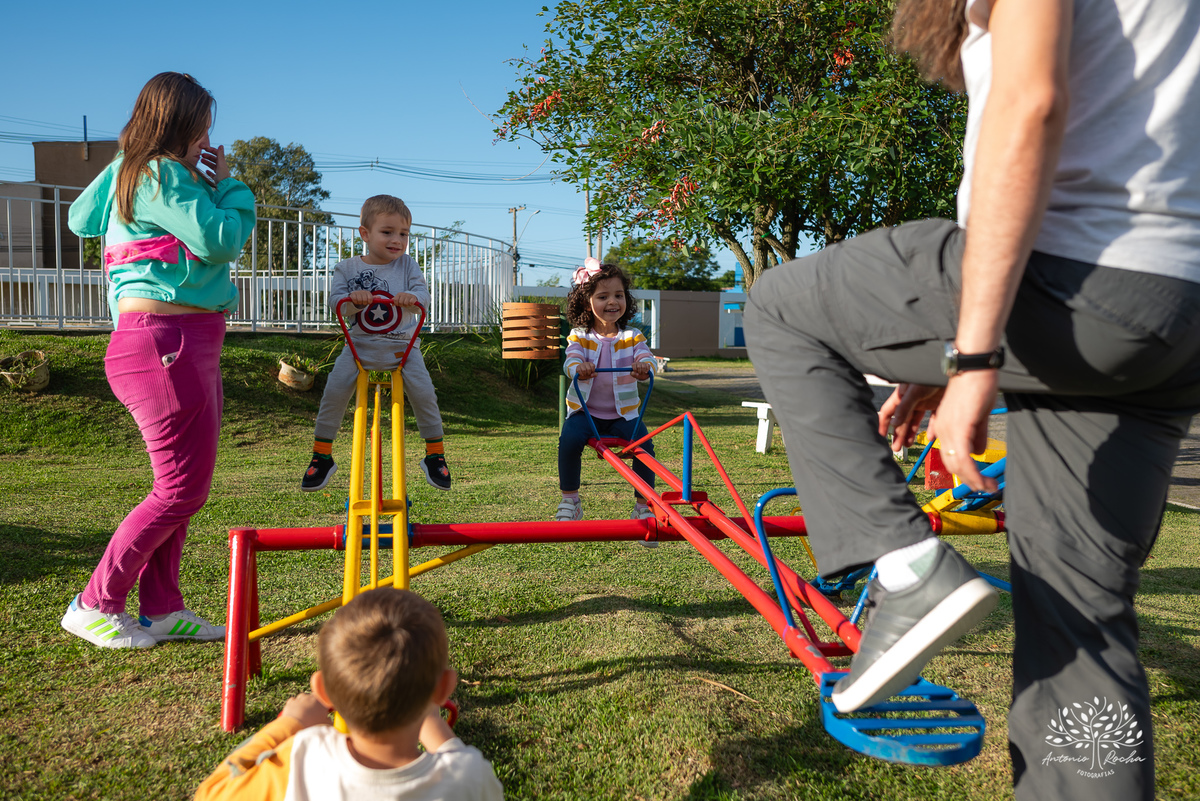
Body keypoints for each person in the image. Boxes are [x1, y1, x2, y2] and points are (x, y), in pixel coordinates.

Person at [744, 0, 1200, 798]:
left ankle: (907, 568)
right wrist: (947, 335)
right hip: (1176, 316)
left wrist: (975, 348)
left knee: (782, 305)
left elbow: (1031, 102)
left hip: (1075, 276)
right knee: (1080, 624)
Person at [62, 72, 256, 649]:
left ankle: (163, 608)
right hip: (167, 341)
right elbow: (221, 239)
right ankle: (95, 603)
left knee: (186, 484)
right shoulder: (162, 173)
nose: (207, 138)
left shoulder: (135, 172)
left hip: (174, 340)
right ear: (185, 124)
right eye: (203, 127)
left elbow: (79, 217)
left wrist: (127, 152)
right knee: (178, 489)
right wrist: (231, 189)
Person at [195, 588, 504, 800]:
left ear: (323, 691)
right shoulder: (470, 778)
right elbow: (456, 757)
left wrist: (288, 724)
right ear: (445, 688)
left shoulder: (302, 756)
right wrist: (431, 719)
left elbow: (211, 793)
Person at [300, 195, 452, 493]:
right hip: (359, 348)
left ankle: (435, 453)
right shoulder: (347, 269)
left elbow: (423, 295)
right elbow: (336, 304)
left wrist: (414, 298)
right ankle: (322, 453)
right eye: (388, 232)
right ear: (365, 234)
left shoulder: (407, 266)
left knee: (424, 392)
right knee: (334, 390)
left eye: (404, 234)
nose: (397, 240)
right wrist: (352, 302)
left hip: (403, 350)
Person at [557, 259, 658, 525]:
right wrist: (579, 368)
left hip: (622, 416)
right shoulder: (579, 336)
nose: (612, 302)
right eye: (603, 296)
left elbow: (649, 360)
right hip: (585, 413)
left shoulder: (633, 336)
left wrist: (644, 368)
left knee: (644, 446)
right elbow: (570, 361)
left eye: (618, 295)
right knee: (568, 439)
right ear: (586, 301)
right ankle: (571, 499)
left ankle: (643, 504)